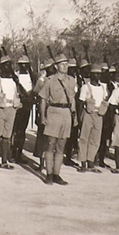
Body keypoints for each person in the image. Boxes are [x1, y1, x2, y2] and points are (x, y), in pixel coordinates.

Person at [37, 54, 75, 186]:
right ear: (56, 66)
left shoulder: (71, 80)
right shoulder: (50, 81)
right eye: (62, 64)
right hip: (53, 112)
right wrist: (43, 116)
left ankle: (56, 174)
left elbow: (72, 99)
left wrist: (73, 115)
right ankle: (48, 174)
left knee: (61, 146)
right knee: (50, 144)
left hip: (66, 113)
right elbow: (42, 99)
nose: (65, 66)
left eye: (66, 64)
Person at [0, 55, 20, 170]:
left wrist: (17, 80)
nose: (8, 67)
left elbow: (20, 92)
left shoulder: (14, 79)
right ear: (1, 66)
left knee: (7, 135)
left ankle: (5, 161)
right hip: (0, 108)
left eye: (10, 64)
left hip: (11, 108)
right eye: (6, 65)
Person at [76, 63, 106, 173]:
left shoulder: (103, 88)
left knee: (95, 140)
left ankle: (91, 162)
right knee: (84, 138)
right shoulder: (85, 87)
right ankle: (83, 162)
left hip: (99, 115)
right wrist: (79, 117)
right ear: (91, 75)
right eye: (95, 74)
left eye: (99, 74)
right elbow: (80, 102)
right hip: (88, 114)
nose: (97, 76)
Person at [32, 59, 55, 172]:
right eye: (51, 67)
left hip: (54, 111)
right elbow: (36, 94)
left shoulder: (58, 80)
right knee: (42, 138)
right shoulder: (42, 80)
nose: (53, 69)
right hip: (44, 110)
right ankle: (41, 163)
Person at [11, 55, 34, 164]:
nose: (24, 67)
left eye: (26, 65)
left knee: (22, 131)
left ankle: (19, 153)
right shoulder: (16, 76)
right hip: (18, 105)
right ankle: (12, 153)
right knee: (15, 130)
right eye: (22, 65)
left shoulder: (31, 77)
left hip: (27, 106)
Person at [96, 64, 116, 168]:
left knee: (105, 138)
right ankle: (94, 157)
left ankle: (101, 159)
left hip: (108, 115)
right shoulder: (97, 85)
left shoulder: (111, 86)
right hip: (98, 113)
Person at [63, 58, 80, 167]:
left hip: (75, 109)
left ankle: (68, 156)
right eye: (71, 69)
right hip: (66, 109)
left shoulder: (76, 80)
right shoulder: (65, 80)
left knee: (73, 134)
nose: (73, 71)